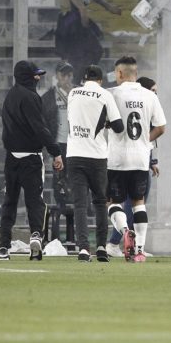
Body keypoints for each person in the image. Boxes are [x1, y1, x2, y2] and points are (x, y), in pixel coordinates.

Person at [0, 61, 64, 261]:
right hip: (31, 159)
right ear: (27, 76)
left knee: (9, 202)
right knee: (35, 201)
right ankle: (36, 234)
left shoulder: (9, 96)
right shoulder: (32, 97)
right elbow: (39, 128)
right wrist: (56, 151)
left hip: (11, 158)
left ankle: (3, 247)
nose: (38, 78)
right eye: (35, 75)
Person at [106, 57, 166, 262]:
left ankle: (124, 232)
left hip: (116, 158)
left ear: (120, 73)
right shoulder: (150, 96)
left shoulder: (111, 94)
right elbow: (161, 127)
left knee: (114, 202)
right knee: (139, 203)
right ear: (136, 73)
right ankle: (139, 249)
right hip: (140, 157)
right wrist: (143, 141)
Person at [66, 65, 123, 262]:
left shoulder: (73, 93)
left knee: (80, 204)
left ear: (84, 78)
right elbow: (119, 127)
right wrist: (105, 123)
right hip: (97, 156)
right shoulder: (105, 94)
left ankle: (83, 248)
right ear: (100, 80)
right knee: (99, 203)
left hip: (74, 154)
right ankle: (100, 247)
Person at [55, 0, 122, 84]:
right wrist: (81, 9)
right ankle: (77, 81)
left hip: (74, 18)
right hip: (72, 19)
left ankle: (78, 80)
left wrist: (108, 6)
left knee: (90, 51)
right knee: (91, 50)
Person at [41, 61, 76, 249]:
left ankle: (76, 215)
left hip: (76, 144)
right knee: (58, 178)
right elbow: (44, 121)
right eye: (64, 75)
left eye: (69, 75)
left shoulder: (78, 93)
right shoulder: (49, 96)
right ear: (57, 76)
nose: (67, 78)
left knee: (76, 179)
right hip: (58, 144)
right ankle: (61, 209)